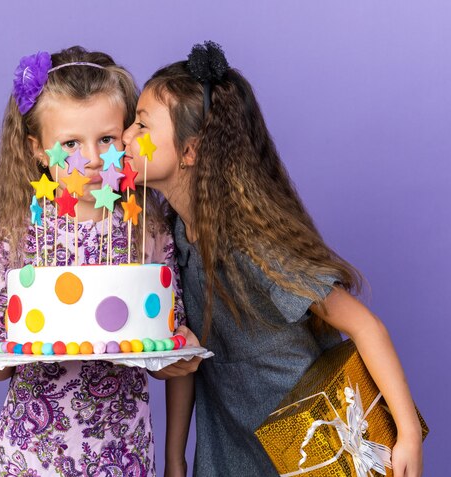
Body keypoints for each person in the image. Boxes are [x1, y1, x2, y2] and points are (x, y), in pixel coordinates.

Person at [122, 41, 424, 477]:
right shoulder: (172, 241)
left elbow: (364, 325)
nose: (126, 137)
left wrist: (408, 433)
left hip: (309, 442)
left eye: (142, 126)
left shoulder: (253, 242)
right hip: (231, 445)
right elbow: (186, 355)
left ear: (190, 152)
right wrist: (175, 459)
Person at [0, 46, 189, 477]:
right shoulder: (17, 238)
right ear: (39, 150)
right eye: (70, 143)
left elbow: (163, 337)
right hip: (33, 450)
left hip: (121, 447)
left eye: (106, 138)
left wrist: (177, 349)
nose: (94, 158)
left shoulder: (148, 231)